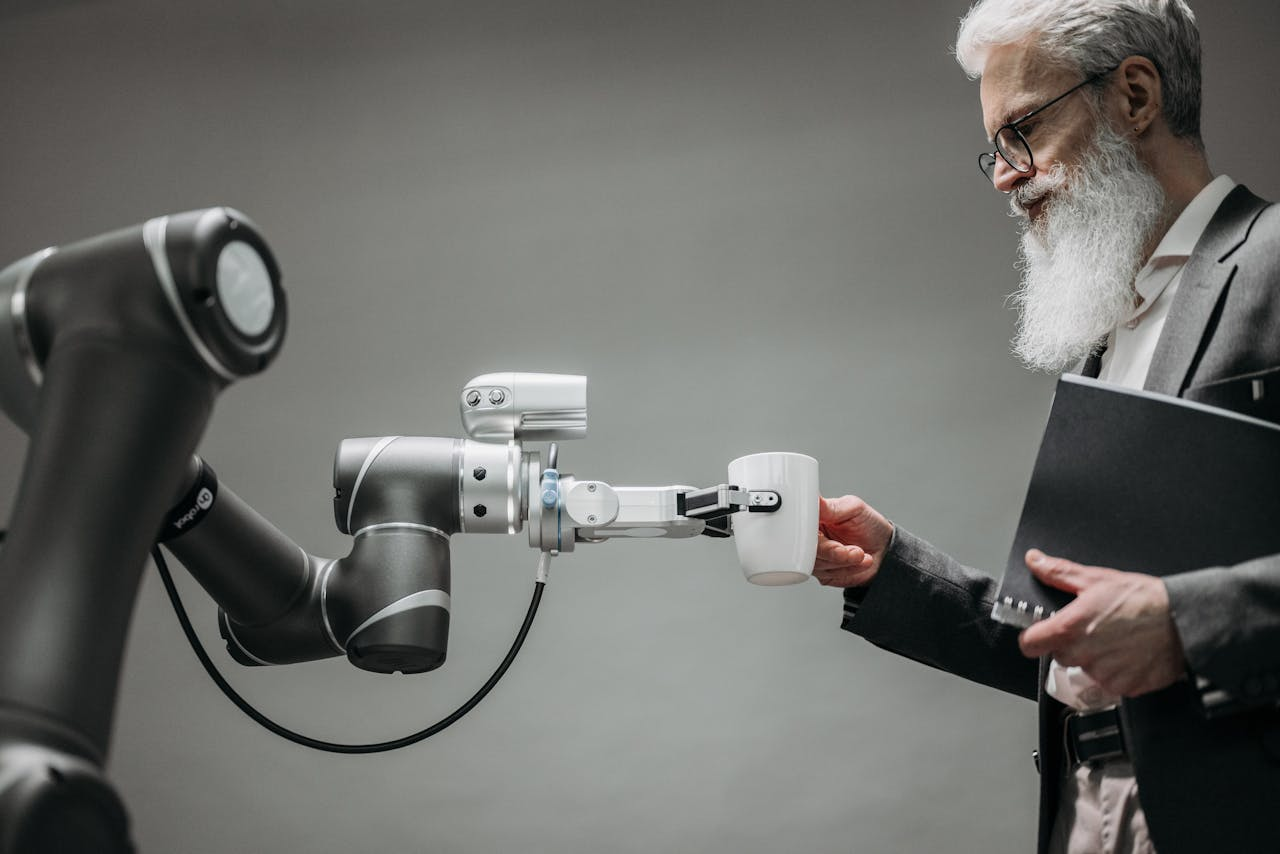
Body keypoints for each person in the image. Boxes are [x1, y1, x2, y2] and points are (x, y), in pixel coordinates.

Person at [814, 2, 1280, 853]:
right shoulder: (1109, 334)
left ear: (1135, 95)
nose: (1004, 175)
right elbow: (1076, 634)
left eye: (1023, 130)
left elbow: (1155, 623)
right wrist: (891, 568)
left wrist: (1187, 622)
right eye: (996, 147)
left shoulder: (1273, 261)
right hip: (1083, 809)